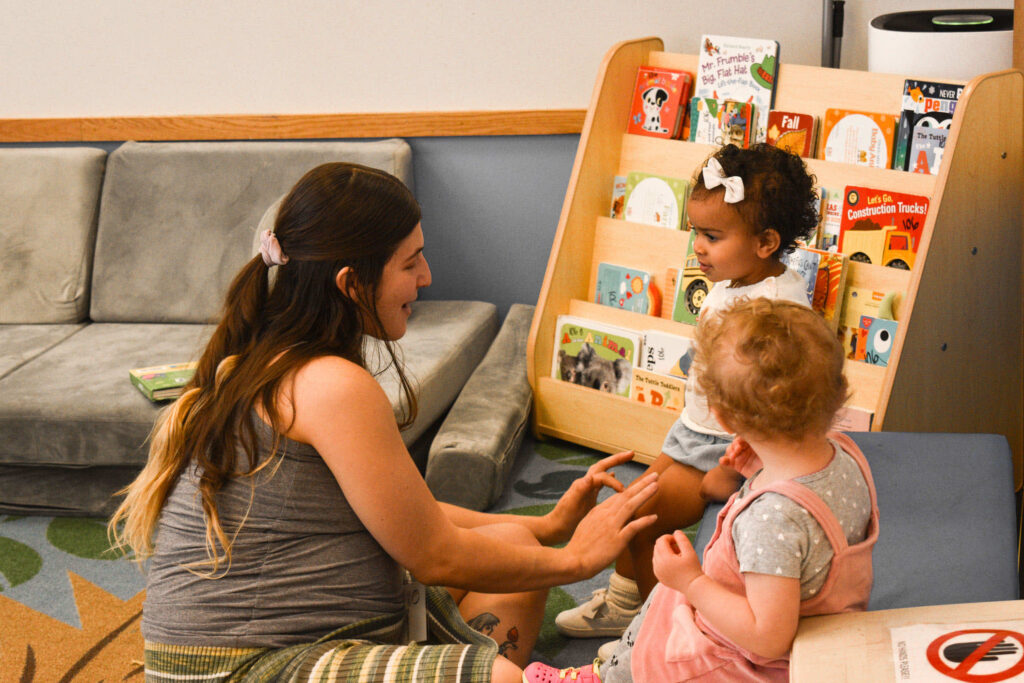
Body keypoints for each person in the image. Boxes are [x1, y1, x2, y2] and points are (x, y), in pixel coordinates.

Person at [107, 162, 661, 683]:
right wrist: (576, 559)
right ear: (351, 283)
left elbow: (407, 517)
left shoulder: (276, 359)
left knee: (517, 540)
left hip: (297, 635)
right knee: (496, 671)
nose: (426, 276)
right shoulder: (328, 384)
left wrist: (546, 530)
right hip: (247, 665)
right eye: (409, 262)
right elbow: (431, 553)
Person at [524, 298, 880, 682]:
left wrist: (692, 582)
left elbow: (767, 637)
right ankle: (617, 666)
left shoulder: (772, 518)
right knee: (669, 597)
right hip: (821, 624)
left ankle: (612, 677)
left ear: (722, 417)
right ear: (839, 390)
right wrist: (755, 465)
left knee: (670, 597)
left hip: (743, 660)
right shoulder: (844, 454)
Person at [555, 143, 820, 641]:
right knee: (631, 505)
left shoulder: (777, 312)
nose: (698, 246)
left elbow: (779, 405)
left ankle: (650, 621)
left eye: (712, 236)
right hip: (695, 433)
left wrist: (735, 467)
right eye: (697, 231)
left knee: (645, 516)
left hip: (728, 448)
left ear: (766, 242)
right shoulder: (736, 278)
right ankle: (629, 599)